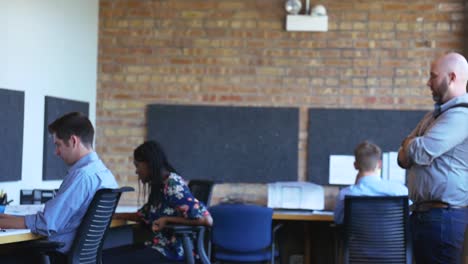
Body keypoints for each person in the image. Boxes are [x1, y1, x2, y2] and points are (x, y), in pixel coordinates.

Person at [0, 112, 118, 263]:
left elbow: (47, 223)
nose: (56, 152)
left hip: (58, 256)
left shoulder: (81, 177)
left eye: (58, 145)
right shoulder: (105, 174)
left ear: (73, 141)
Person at [398, 52, 468, 264]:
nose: (428, 82)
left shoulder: (462, 115)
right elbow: (403, 156)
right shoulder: (434, 116)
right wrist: (412, 145)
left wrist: (412, 144)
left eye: (433, 76)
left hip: (442, 219)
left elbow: (419, 151)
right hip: (423, 216)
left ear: (452, 77)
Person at [108, 140, 213, 263]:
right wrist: (113, 215)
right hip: (158, 246)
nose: (136, 171)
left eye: (138, 165)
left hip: (173, 252)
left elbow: (206, 219)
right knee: (104, 256)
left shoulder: (172, 184)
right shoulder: (159, 186)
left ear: (149, 164)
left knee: (107, 259)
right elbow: (143, 215)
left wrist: (168, 220)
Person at [334, 141, 408, 224]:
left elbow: (338, 220)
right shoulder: (400, 191)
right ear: (379, 164)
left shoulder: (346, 194)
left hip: (358, 237)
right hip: (394, 236)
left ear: (355, 165)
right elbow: (409, 215)